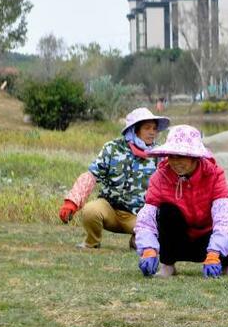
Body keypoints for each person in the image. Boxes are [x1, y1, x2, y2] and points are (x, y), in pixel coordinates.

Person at [133, 125, 228, 279]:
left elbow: (224, 217)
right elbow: (147, 217)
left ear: (195, 157)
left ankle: (225, 263)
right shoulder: (160, 177)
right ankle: (168, 265)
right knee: (166, 211)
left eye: (181, 156)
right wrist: (148, 248)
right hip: (178, 240)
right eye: (172, 156)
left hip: (206, 240)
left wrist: (214, 252)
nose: (175, 162)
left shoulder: (215, 174)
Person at [59, 107, 170, 249]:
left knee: (156, 229)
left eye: (154, 128)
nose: (152, 132)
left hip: (138, 216)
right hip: (109, 209)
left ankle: (137, 241)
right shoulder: (112, 148)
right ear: (135, 130)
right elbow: (91, 175)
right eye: (147, 128)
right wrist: (72, 202)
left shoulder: (159, 155)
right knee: (91, 211)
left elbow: (169, 186)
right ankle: (92, 242)